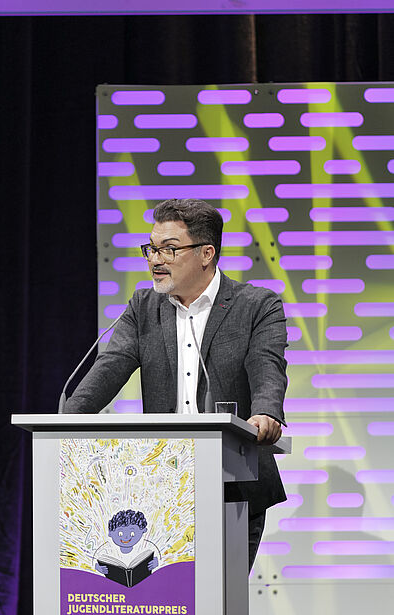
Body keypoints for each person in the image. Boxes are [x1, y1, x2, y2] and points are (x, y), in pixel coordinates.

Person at [64, 198, 288, 570]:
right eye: (151, 248)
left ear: (206, 253)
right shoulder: (143, 307)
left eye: (169, 249)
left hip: (234, 486)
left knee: (219, 614)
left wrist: (266, 412)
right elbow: (110, 367)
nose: (155, 259)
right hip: (162, 490)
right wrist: (64, 422)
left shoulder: (256, 306)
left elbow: (267, 365)